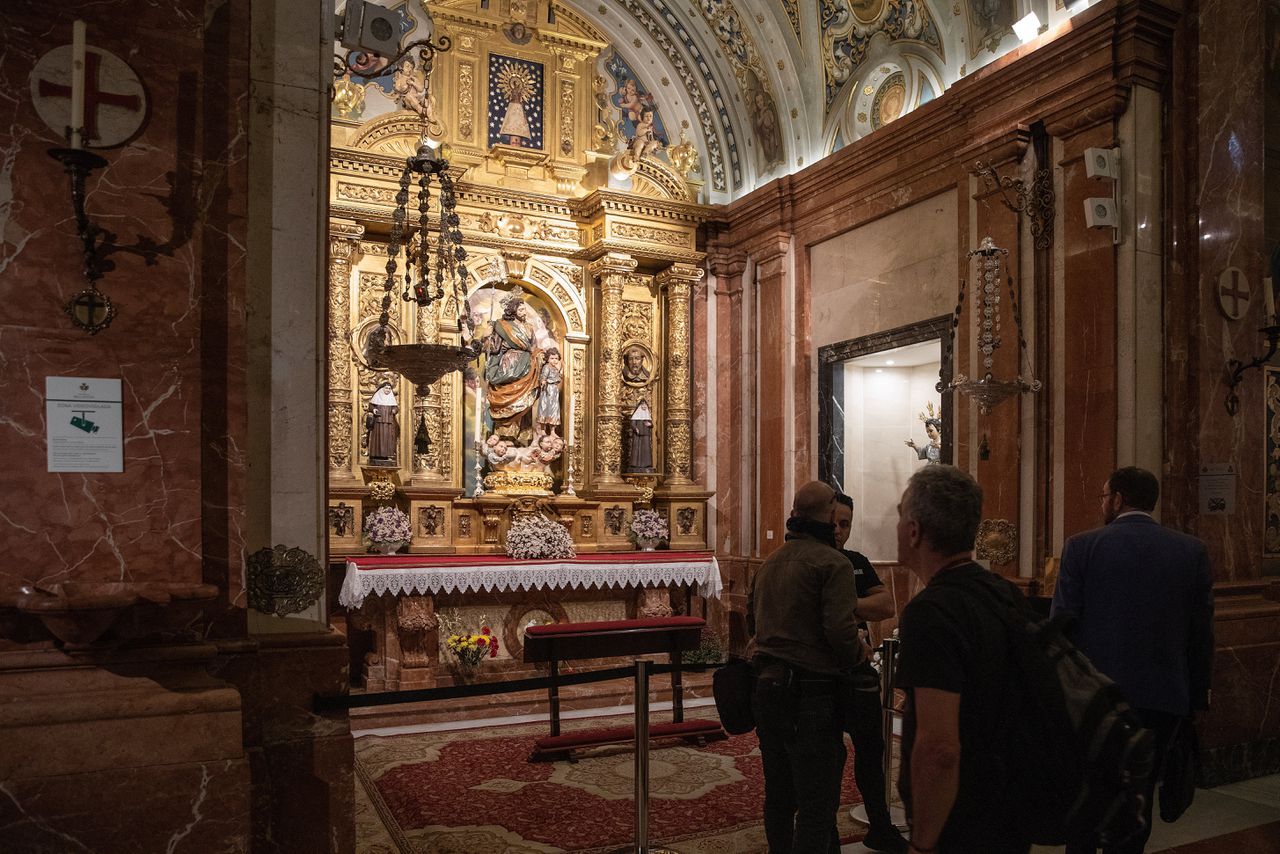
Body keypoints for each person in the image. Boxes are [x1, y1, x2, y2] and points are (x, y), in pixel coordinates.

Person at [1051, 467, 1214, 854]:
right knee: (1139, 800)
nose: (1103, 503)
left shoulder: (1081, 546)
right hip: (1163, 698)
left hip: (1094, 702)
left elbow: (1061, 629)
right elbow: (1201, 632)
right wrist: (1197, 697)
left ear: (1118, 499)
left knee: (1088, 797)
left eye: (1104, 496)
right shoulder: (1191, 551)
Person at [894, 465, 1030, 854]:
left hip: (962, 815)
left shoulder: (932, 612)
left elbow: (940, 747)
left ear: (915, 530)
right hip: (1009, 800)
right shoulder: (1003, 592)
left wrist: (922, 845)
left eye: (900, 516)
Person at [748, 481, 864, 853]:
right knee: (817, 803)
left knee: (779, 795)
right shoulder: (834, 563)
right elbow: (840, 631)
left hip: (767, 691)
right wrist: (858, 654)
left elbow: (755, 627)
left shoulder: (770, 563)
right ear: (831, 515)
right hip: (812, 695)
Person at [831, 493, 908, 854]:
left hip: (858, 673)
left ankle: (880, 824)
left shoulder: (857, 562)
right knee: (829, 755)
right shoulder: (810, 561)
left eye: (845, 523)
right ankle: (824, 830)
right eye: (833, 521)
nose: (839, 529)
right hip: (823, 675)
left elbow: (886, 605)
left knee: (871, 749)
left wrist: (846, 606)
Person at [483, 295, 543, 441]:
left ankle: (522, 435)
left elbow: (533, 346)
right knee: (508, 396)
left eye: (525, 309)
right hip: (509, 364)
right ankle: (505, 434)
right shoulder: (502, 326)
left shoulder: (529, 327)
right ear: (513, 311)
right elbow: (494, 347)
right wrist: (488, 336)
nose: (524, 312)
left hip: (527, 366)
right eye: (521, 309)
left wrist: (539, 355)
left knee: (525, 399)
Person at [364, 382, 399, 466]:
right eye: (386, 388)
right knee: (378, 437)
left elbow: (395, 407)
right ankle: (376, 454)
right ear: (382, 389)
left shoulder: (391, 398)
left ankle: (386, 454)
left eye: (389, 389)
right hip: (378, 422)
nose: (388, 390)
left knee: (387, 438)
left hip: (388, 422)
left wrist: (394, 410)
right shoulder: (377, 396)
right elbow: (371, 406)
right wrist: (373, 410)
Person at [535, 348, 562, 436]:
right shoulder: (547, 367)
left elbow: (558, 378)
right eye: (552, 358)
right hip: (547, 389)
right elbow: (544, 376)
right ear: (547, 359)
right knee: (545, 408)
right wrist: (543, 381)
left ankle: (553, 431)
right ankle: (543, 429)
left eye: (556, 359)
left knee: (554, 409)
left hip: (554, 390)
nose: (554, 360)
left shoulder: (555, 368)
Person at [625, 400, 654, 472]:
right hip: (637, 436)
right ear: (640, 406)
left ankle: (646, 464)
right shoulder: (636, 414)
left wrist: (650, 425)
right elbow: (632, 423)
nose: (644, 406)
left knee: (646, 450)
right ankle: (635, 464)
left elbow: (651, 424)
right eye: (642, 405)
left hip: (646, 435)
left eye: (645, 405)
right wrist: (635, 428)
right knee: (636, 450)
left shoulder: (647, 414)